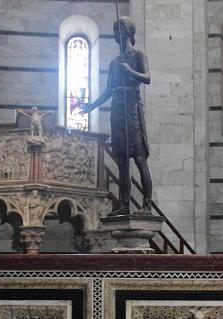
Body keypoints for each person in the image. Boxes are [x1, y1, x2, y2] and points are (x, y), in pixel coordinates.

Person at [80, 16, 153, 216]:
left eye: (117, 29)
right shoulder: (113, 63)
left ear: (128, 32)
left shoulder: (138, 55)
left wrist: (130, 71)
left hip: (132, 108)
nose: (115, 34)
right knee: (122, 161)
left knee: (139, 158)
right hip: (117, 109)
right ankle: (124, 205)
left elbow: (147, 78)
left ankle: (146, 206)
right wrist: (91, 106)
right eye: (113, 30)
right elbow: (107, 90)